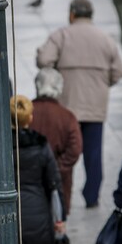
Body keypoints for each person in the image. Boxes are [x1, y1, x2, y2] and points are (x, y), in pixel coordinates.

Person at [37, 0, 122, 208]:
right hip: (95, 107)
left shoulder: (61, 35)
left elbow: (43, 60)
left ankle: (61, 192)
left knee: (64, 151)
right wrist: (103, 84)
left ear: (72, 14)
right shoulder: (105, 38)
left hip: (67, 107)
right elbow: (119, 70)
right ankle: (92, 195)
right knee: (93, 154)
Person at [0, 96, 67, 244]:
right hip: (37, 219)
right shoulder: (41, 144)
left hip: (4, 220)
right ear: (29, 118)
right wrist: (60, 218)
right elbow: (54, 183)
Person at [30, 67, 82, 215]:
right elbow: (75, 149)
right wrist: (57, 168)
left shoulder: (25, 113)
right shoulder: (67, 116)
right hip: (58, 181)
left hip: (29, 180)